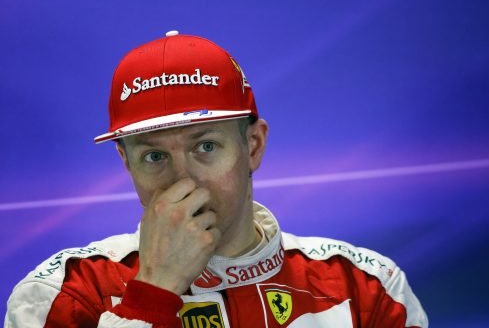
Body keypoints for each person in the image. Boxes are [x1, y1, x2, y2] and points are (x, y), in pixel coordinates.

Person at [5, 32, 428, 328]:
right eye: (154, 155)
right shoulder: (63, 294)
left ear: (254, 146)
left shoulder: (367, 288)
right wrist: (154, 291)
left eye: (205, 146)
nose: (183, 181)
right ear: (126, 164)